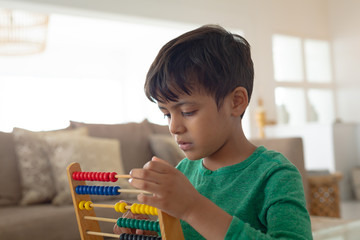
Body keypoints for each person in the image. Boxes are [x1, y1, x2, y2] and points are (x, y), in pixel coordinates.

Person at [115, 24, 312, 239]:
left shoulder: (275, 175)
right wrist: (148, 233)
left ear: (236, 102)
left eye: (187, 111)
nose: (173, 127)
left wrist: (193, 208)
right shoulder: (183, 171)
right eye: (167, 115)